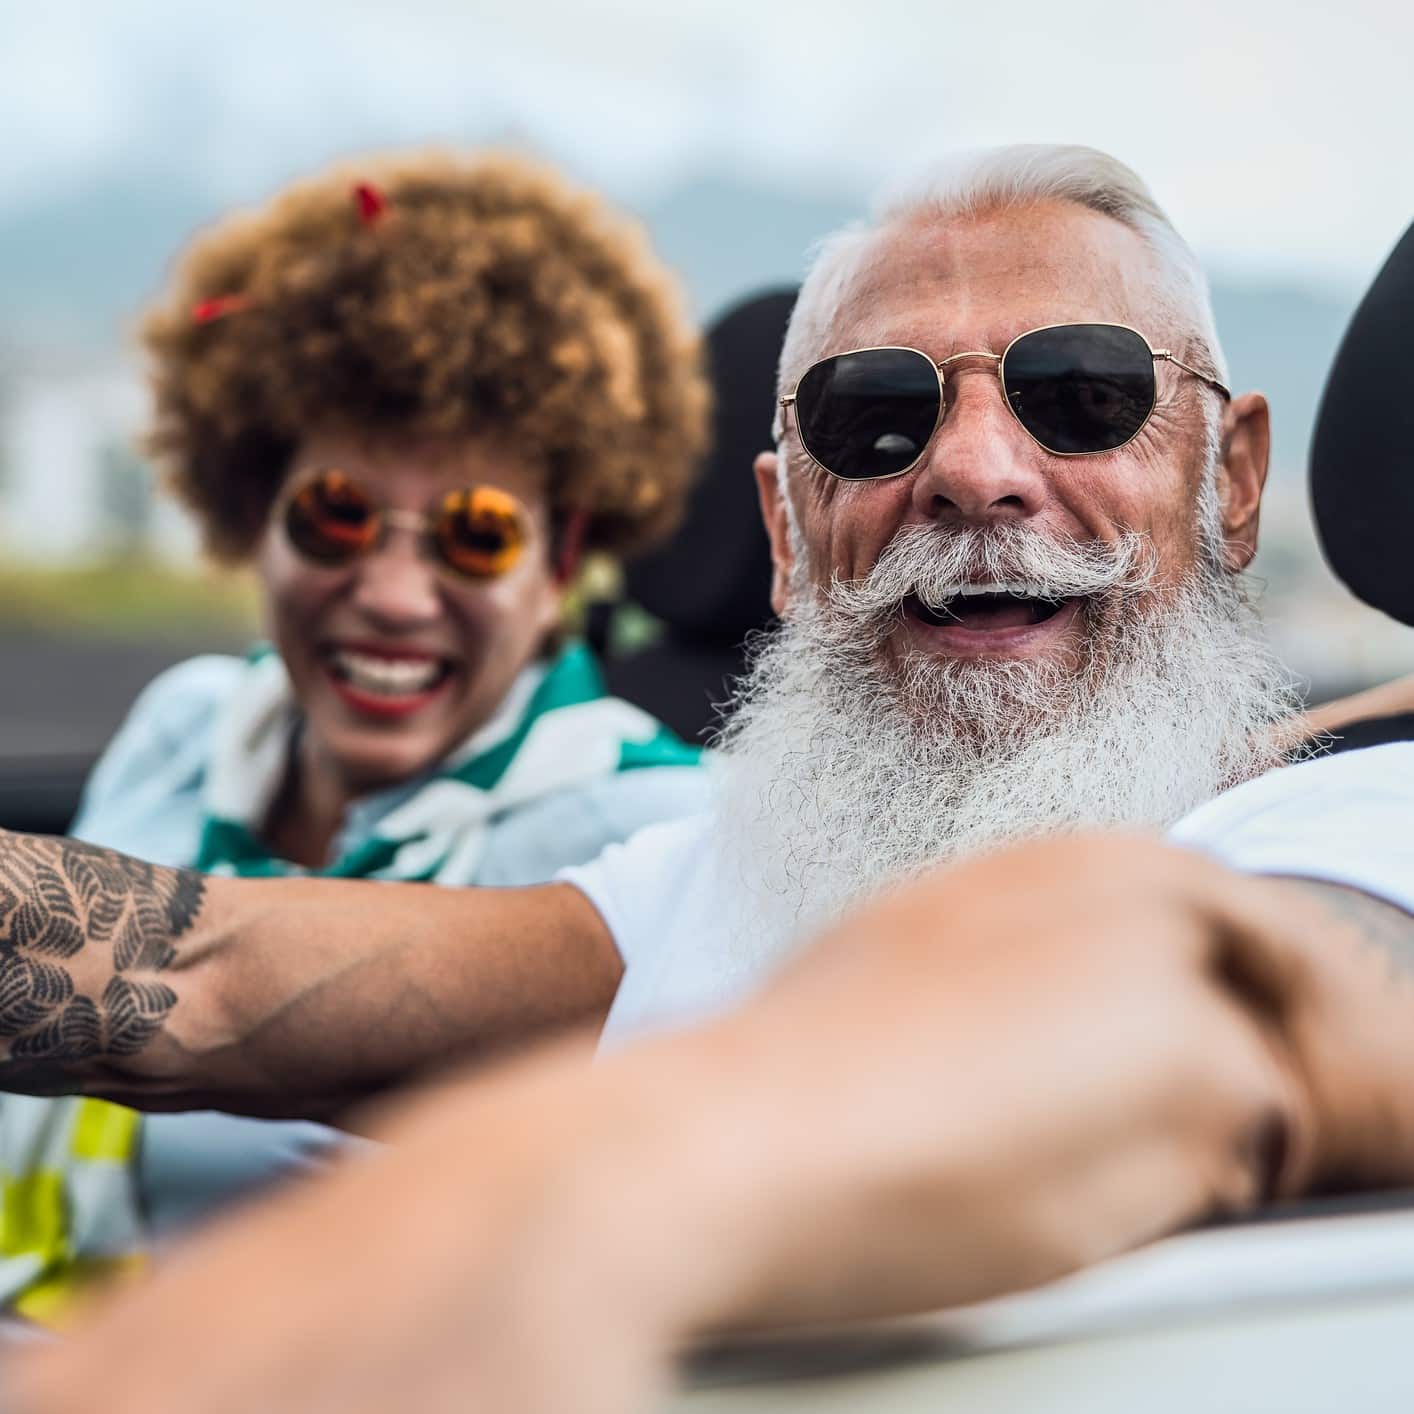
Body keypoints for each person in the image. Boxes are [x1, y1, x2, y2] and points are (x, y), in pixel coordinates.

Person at [1, 146, 1414, 1388]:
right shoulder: (732, 855)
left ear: (1228, 481)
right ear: (787, 533)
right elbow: (209, 975)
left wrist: (494, 1228)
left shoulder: (1349, 822)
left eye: (1083, 393)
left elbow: (1221, 998)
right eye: (872, 416)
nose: (974, 467)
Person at [0, 149, 712, 1319]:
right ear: (253, 518)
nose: (390, 592)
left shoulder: (653, 837)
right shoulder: (185, 723)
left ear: (563, 561)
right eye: (334, 515)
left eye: (474, 534)